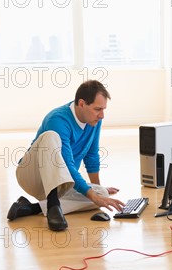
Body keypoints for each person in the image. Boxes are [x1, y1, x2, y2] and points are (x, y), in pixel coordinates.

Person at [7, 80, 125, 231]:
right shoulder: (58, 119)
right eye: (97, 109)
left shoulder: (94, 121)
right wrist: (94, 197)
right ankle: (53, 205)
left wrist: (97, 191)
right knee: (51, 136)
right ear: (81, 104)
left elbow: (92, 156)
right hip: (33, 176)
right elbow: (68, 164)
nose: (101, 115)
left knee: (100, 193)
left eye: (103, 109)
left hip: (60, 182)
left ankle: (31, 208)